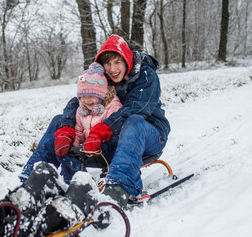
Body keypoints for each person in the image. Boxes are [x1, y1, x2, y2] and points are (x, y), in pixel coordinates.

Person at [20, 34, 170, 209]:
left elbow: (137, 108)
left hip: (147, 134)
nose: (112, 69)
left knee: (133, 121)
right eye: (108, 63)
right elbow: (78, 100)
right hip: (110, 139)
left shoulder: (145, 75)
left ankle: (118, 189)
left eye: (117, 62)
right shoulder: (103, 77)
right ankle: (33, 183)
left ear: (127, 60)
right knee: (58, 121)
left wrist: (102, 129)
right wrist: (67, 128)